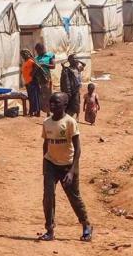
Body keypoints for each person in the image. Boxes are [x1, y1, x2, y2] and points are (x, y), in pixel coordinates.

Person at [39, 92, 92, 242]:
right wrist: (45, 163)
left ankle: (86, 225)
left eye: (56, 103)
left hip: (68, 165)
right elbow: (46, 144)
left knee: (74, 197)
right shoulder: (46, 122)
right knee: (48, 196)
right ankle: (49, 229)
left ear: (64, 105)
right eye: (51, 102)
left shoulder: (70, 122)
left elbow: (78, 148)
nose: (52, 105)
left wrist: (72, 170)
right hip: (50, 164)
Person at [34, 43, 55, 115]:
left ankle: (48, 112)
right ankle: (39, 111)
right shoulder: (36, 58)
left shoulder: (49, 56)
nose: (37, 52)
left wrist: (44, 65)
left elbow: (53, 66)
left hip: (46, 79)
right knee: (40, 95)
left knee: (48, 95)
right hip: (38, 79)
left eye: (38, 50)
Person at [21, 49, 42, 117]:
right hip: (28, 82)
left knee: (34, 98)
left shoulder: (30, 60)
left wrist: (31, 75)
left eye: (25, 54)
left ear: (28, 54)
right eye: (22, 54)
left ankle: (35, 112)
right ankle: (33, 111)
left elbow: (38, 66)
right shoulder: (26, 61)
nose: (23, 55)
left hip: (32, 82)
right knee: (32, 98)